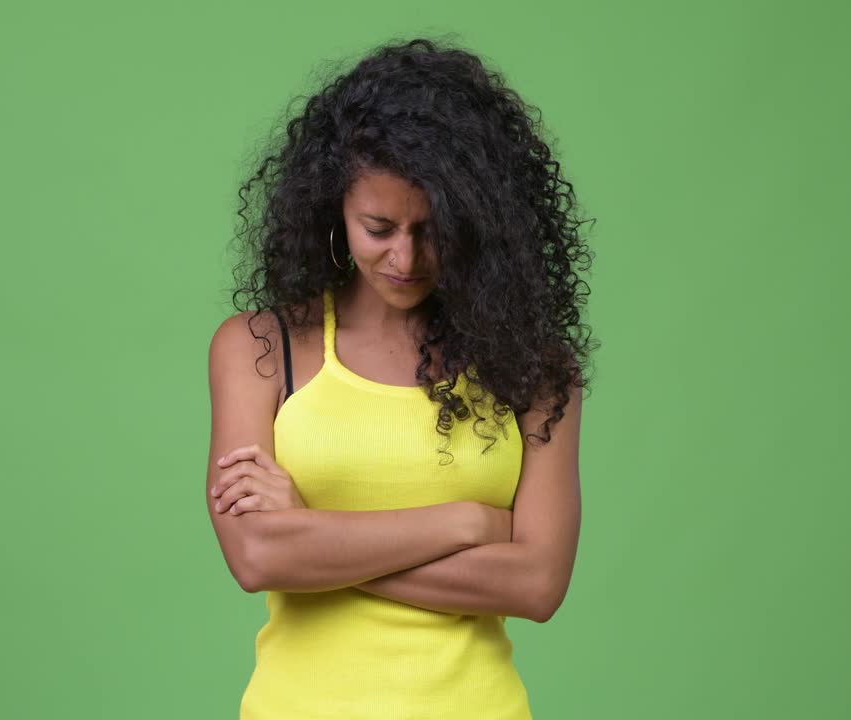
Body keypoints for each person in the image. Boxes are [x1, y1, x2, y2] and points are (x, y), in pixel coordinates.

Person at [206, 36, 596, 720]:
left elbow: (536, 584)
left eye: (433, 230)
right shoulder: (262, 350)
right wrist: (468, 521)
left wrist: (315, 535)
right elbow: (258, 557)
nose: (406, 258)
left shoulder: (535, 370)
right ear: (335, 209)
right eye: (379, 227)